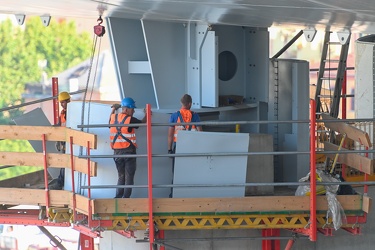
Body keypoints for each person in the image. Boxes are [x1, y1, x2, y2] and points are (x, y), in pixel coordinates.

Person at [109, 97, 148, 198]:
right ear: (126, 109)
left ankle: (117, 198)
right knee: (129, 177)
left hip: (117, 153)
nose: (134, 111)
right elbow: (143, 122)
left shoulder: (114, 118)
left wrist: (113, 109)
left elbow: (109, 122)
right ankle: (126, 199)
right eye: (132, 109)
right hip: (128, 152)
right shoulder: (129, 119)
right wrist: (147, 113)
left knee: (121, 176)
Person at [167, 94, 202, 197]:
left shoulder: (174, 116)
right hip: (192, 148)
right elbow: (201, 133)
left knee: (176, 172)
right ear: (190, 104)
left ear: (181, 103)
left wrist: (169, 149)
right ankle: (189, 195)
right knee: (191, 172)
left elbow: (170, 135)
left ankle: (173, 195)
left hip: (178, 147)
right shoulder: (195, 116)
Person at [51, 91, 71, 190]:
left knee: (66, 162)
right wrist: (58, 140)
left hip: (70, 140)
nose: (62, 105)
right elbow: (60, 126)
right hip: (64, 140)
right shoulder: (62, 113)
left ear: (69, 101)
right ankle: (61, 182)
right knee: (64, 162)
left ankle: (60, 183)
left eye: (63, 102)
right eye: (61, 103)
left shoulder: (72, 112)